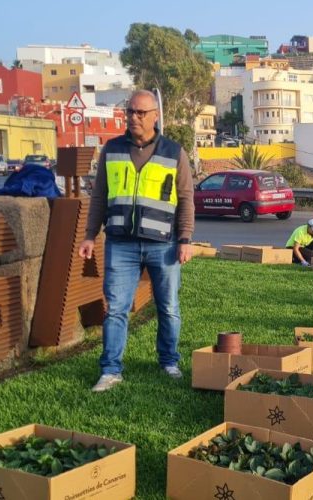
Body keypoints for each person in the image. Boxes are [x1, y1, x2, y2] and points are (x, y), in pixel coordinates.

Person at [78, 90, 196, 392]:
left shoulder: (174, 152)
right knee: (116, 308)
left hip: (164, 243)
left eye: (140, 113)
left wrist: (185, 239)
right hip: (120, 243)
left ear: (155, 115)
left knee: (168, 306)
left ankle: (169, 361)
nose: (133, 117)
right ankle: (111, 370)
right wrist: (90, 235)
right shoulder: (112, 149)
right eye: (130, 112)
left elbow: (185, 199)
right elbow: (99, 196)